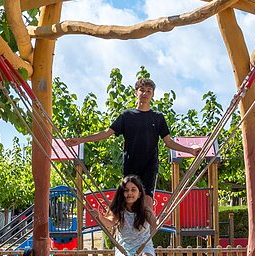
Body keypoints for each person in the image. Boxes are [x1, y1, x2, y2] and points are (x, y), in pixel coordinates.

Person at [66, 77, 196, 195]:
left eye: (149, 91)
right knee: (130, 201)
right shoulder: (127, 116)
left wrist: (190, 150)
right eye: (142, 90)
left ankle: (149, 215)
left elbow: (169, 142)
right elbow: (106, 133)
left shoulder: (158, 117)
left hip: (149, 166)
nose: (145, 93)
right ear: (136, 93)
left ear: (152, 95)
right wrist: (80, 140)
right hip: (131, 166)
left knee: (147, 202)